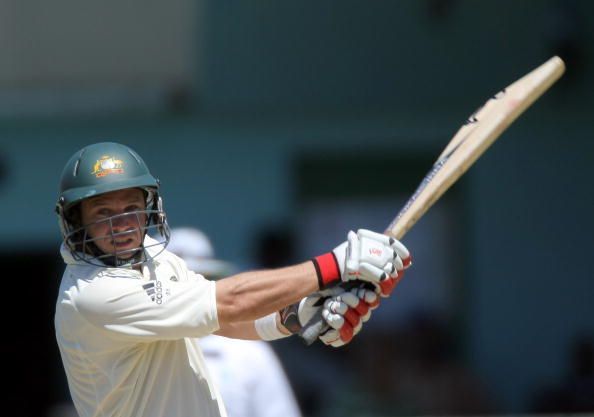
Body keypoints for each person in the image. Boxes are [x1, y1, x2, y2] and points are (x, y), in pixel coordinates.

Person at [54, 142, 412, 417]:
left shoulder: (151, 258)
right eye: (103, 212)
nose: (122, 224)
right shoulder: (92, 294)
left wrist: (294, 317)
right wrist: (337, 264)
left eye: (132, 207)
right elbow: (228, 302)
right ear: (76, 221)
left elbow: (219, 321)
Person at [167, 227, 302, 417]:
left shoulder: (249, 352)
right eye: (178, 284)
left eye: (201, 280)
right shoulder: (136, 347)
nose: (192, 295)